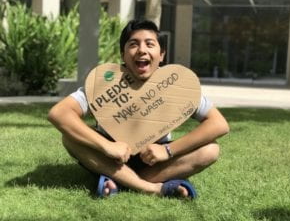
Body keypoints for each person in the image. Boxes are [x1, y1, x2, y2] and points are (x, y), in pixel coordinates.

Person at [48, 20, 229, 199]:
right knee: (70, 137)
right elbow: (59, 113)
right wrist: (108, 146)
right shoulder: (105, 83)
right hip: (110, 157)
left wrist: (167, 151)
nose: (142, 50)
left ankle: (118, 181)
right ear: (123, 54)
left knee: (211, 149)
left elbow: (219, 124)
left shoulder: (175, 85)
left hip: (153, 159)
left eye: (150, 44)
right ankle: (153, 188)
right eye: (133, 44)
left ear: (162, 54)